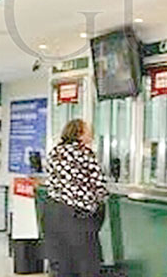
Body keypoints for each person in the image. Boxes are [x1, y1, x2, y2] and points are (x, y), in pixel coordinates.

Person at [43, 119, 108, 277]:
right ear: (79, 134)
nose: (91, 135)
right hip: (78, 216)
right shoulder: (84, 153)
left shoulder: (55, 152)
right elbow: (99, 184)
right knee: (87, 263)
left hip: (53, 212)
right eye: (89, 132)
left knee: (62, 262)